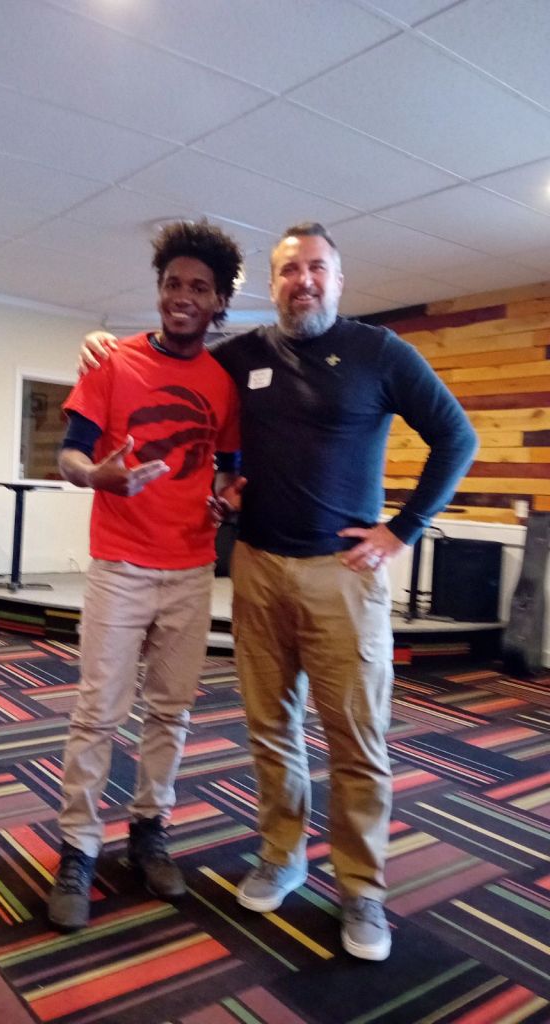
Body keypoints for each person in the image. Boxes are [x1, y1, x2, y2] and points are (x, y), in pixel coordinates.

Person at [77, 222, 478, 960]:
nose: (304, 282)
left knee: (355, 739)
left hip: (343, 576)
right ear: (273, 284)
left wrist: (402, 529)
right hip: (257, 568)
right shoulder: (243, 356)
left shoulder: (380, 352)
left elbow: (459, 438)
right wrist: (103, 345)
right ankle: (281, 854)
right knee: (271, 730)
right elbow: (172, 356)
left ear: (339, 279)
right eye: (290, 271)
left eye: (317, 268)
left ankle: (361, 890)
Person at [48, 219, 244, 932]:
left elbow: (231, 469)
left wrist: (227, 497)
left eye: (199, 287)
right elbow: (69, 454)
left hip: (191, 571)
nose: (182, 296)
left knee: (171, 712)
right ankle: (78, 847)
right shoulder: (112, 362)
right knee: (97, 712)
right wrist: (94, 476)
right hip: (120, 567)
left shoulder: (223, 383)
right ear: (159, 290)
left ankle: (149, 831)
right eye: (171, 283)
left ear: (218, 302)